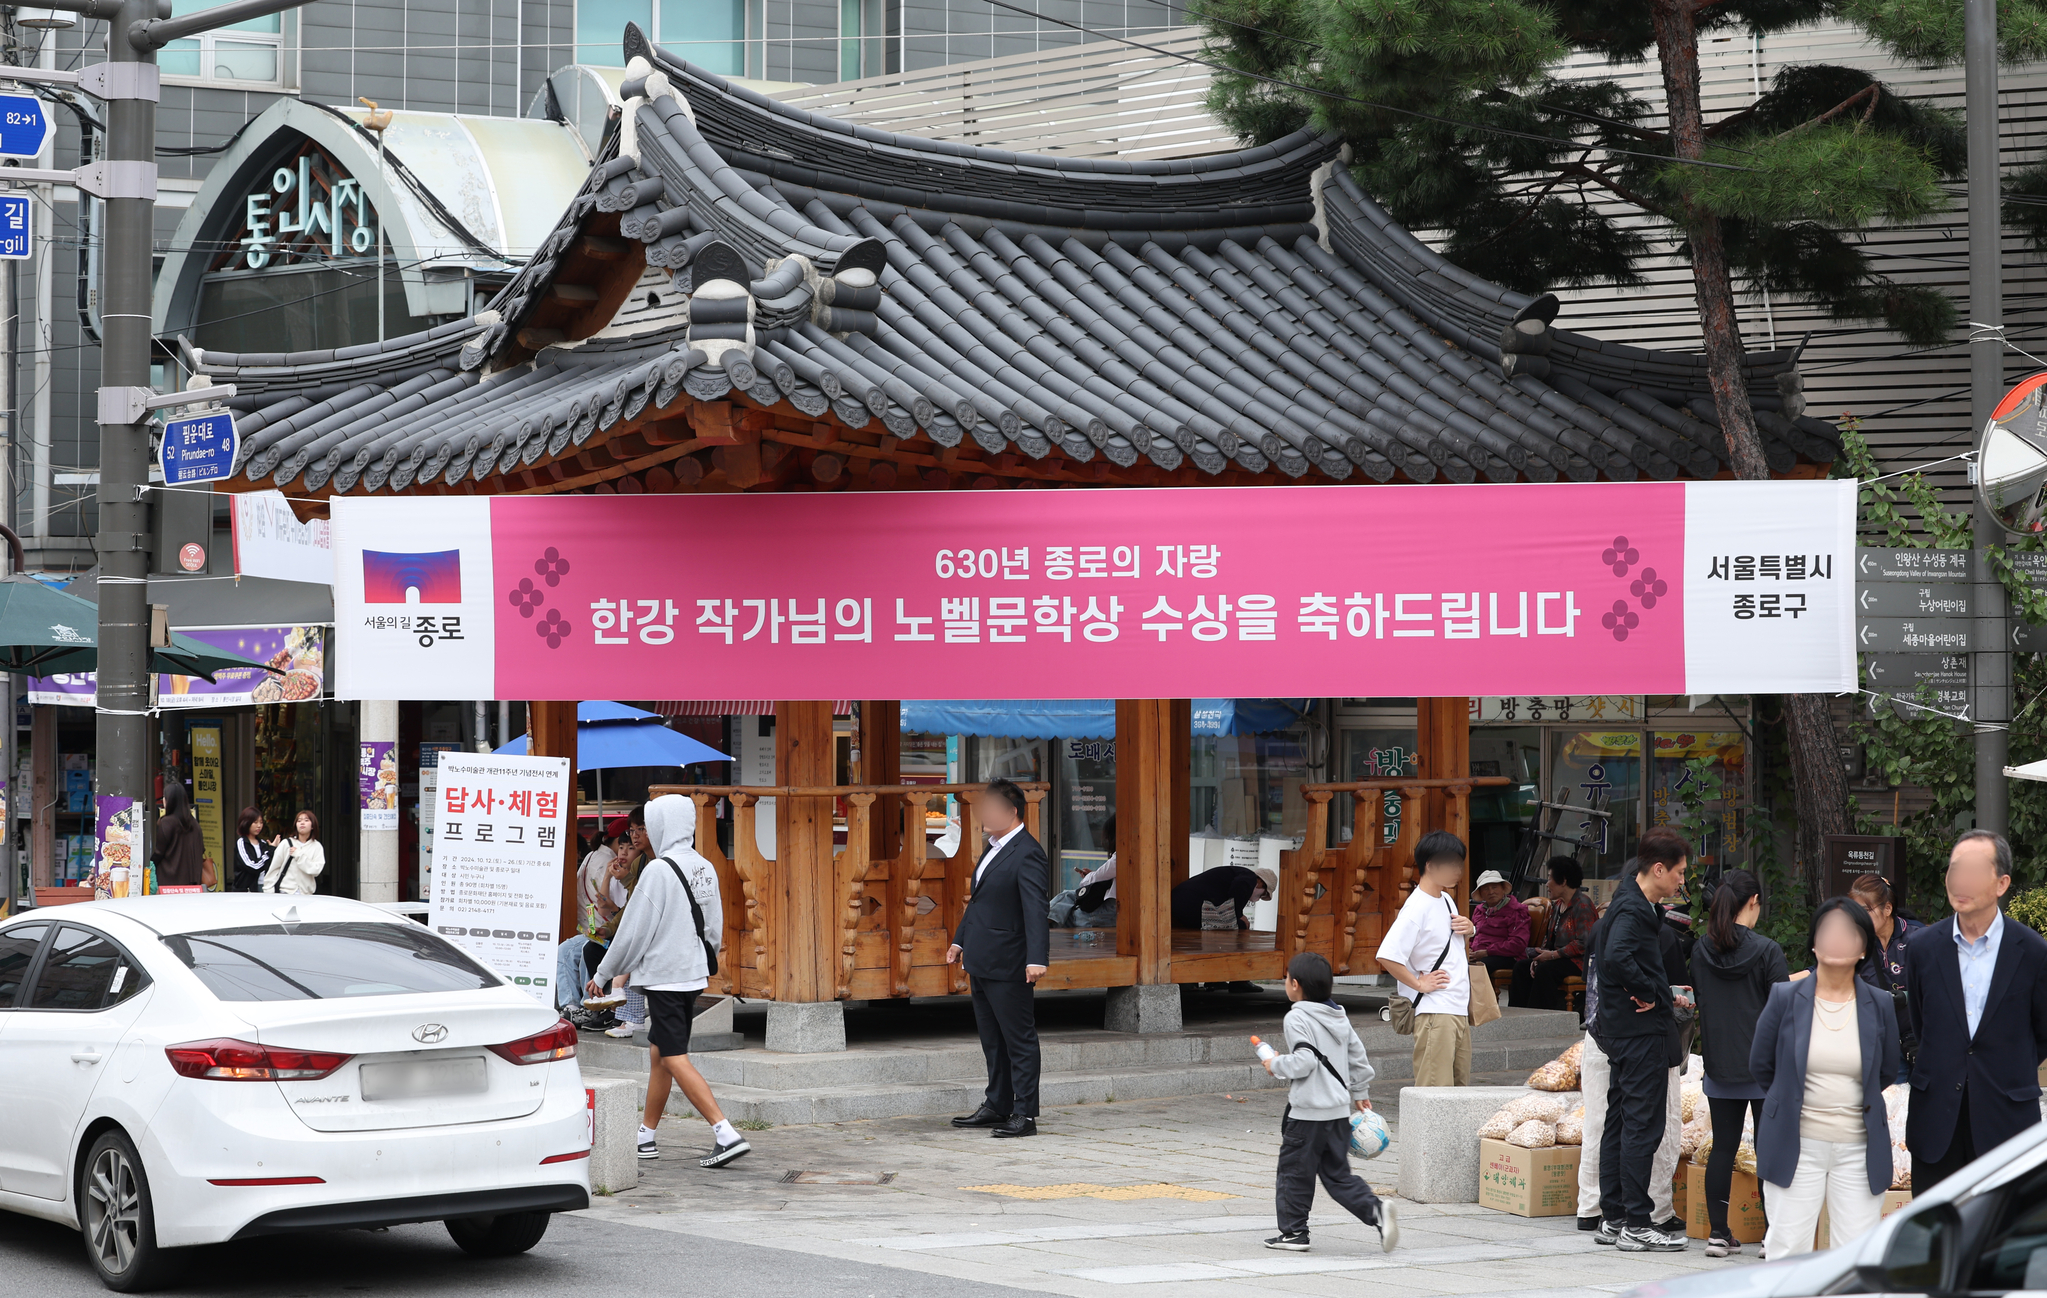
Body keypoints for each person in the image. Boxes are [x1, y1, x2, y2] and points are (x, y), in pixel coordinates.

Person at [588, 794, 750, 1169]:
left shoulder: (658, 871)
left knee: (674, 1056)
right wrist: (702, 957)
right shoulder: (704, 866)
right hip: (692, 974)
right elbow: (714, 924)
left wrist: (603, 973)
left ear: (662, 825)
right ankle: (645, 1136)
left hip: (664, 978)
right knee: (661, 1053)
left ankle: (726, 1133)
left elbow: (632, 932)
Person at [1750, 898, 1902, 1259]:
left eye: (1847, 933)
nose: (1835, 940)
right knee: (1787, 1249)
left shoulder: (1879, 1003)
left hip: (1858, 1148)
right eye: (1827, 931)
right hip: (1796, 1143)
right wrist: (1790, 1101)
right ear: (1814, 944)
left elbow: (1885, 1070)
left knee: (1855, 1256)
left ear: (1863, 946)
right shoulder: (1784, 997)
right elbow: (1761, 1065)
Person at [1903, 829, 2047, 1191]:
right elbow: (1923, 1024)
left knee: (2001, 1240)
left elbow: (2042, 1033)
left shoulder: (2032, 951)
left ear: (2001, 883)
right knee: (1937, 1239)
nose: (1960, 881)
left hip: (2007, 1117)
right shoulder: (1922, 948)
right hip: (1937, 1118)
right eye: (1955, 869)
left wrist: (2002, 1072)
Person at [1590, 826, 1690, 1253]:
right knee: (1641, 1125)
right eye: (1680, 872)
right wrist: (1649, 992)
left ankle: (1613, 1216)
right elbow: (1615, 958)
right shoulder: (1633, 909)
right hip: (1637, 1032)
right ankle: (1635, 1221)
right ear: (1659, 869)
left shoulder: (1632, 900)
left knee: (1619, 1120)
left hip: (1620, 1029)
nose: (1683, 880)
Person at [1259, 952, 1398, 1255]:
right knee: (1337, 1175)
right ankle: (1376, 1212)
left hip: (1308, 1114)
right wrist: (1360, 1091)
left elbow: (1304, 1061)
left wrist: (1275, 1064)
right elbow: (1357, 1057)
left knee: (1294, 1172)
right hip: (1337, 1113)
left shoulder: (1297, 1016)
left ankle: (1295, 1232)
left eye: (1286, 978)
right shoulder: (1339, 1016)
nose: (1285, 983)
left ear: (1295, 985)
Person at [1690, 868, 1789, 1257]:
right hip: (1765, 1068)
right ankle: (1772, 1237)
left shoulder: (1700, 948)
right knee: (1770, 1151)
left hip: (1718, 1063)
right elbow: (1783, 1013)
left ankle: (1718, 1233)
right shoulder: (1768, 951)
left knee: (1723, 1148)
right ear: (1753, 902)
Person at [947, 778, 1051, 1138]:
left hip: (1010, 960)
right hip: (981, 957)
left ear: (1011, 812)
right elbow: (979, 901)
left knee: (1018, 1038)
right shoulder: (992, 847)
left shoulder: (1028, 852)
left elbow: (1035, 910)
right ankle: (997, 1104)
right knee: (992, 1038)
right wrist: (960, 941)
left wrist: (1037, 958)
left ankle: (1025, 1114)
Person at [1375, 831, 1475, 1087]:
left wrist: (1469, 929)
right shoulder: (1416, 907)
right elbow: (1387, 955)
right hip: (1434, 1010)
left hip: (1456, 1007)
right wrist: (1419, 984)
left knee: (1458, 1089)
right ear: (1430, 865)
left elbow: (1451, 948)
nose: (1457, 870)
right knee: (1435, 1092)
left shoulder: (1447, 900)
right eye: (1451, 863)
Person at [1850, 874, 1917, 1082]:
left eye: (1864, 911)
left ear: (1887, 909)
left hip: (1917, 1042)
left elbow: (1941, 990)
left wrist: (1906, 996)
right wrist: (1777, 982)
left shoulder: (1918, 938)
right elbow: (1821, 971)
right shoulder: (1857, 941)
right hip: (1878, 1042)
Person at [1511, 856, 1599, 1012]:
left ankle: (1540, 1019)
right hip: (1559, 959)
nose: (1547, 883)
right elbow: (1549, 939)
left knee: (1547, 971)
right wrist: (1539, 957)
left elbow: (1584, 943)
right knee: (1521, 967)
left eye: (1550, 878)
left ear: (1563, 881)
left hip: (1580, 963)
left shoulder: (1583, 904)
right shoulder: (1558, 905)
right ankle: (1518, 1016)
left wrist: (1552, 955)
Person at [1048, 814, 1118, 928]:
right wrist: (1091, 875)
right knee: (1067, 898)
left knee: (1069, 910)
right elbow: (1102, 874)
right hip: (1113, 908)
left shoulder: (1122, 855)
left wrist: (1089, 877)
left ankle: (1038, 923)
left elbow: (1092, 879)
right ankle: (1041, 922)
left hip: (1111, 910)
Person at [1170, 862, 1276, 931]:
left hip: (1181, 900)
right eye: (1263, 894)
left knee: (1234, 925)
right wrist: (1239, 916)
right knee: (1237, 926)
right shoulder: (1249, 878)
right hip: (1189, 902)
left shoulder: (1238, 873)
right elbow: (1240, 887)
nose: (1258, 899)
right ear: (1261, 882)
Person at [1468, 870, 1529, 981]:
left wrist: (1487, 952)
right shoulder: (1479, 910)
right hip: (1479, 954)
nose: (1491, 892)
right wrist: (1469, 949)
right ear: (1481, 893)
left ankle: (1483, 999)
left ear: (1502, 889)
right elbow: (1472, 935)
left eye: (1494, 887)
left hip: (1507, 956)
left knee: (1477, 967)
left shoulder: (1517, 911)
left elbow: (1518, 944)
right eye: (1486, 888)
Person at [152, 783, 211, 889]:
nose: (163, 800)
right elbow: (201, 849)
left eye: (165, 797)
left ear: (170, 800)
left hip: (170, 882)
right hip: (193, 883)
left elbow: (159, 852)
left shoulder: (167, 822)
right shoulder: (194, 823)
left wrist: (149, 864)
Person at [263, 808, 324, 895]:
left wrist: (299, 855)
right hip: (285, 892)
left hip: (306, 894)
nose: (302, 823)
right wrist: (268, 891)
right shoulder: (286, 844)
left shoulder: (317, 846)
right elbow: (274, 868)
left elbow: (316, 870)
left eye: (306, 820)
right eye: (299, 821)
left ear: (313, 826)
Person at [230, 807, 271, 893]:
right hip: (245, 890)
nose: (259, 826)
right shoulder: (241, 843)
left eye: (261, 822)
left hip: (264, 886)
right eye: (255, 822)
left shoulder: (263, 843)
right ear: (246, 823)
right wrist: (270, 853)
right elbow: (252, 866)